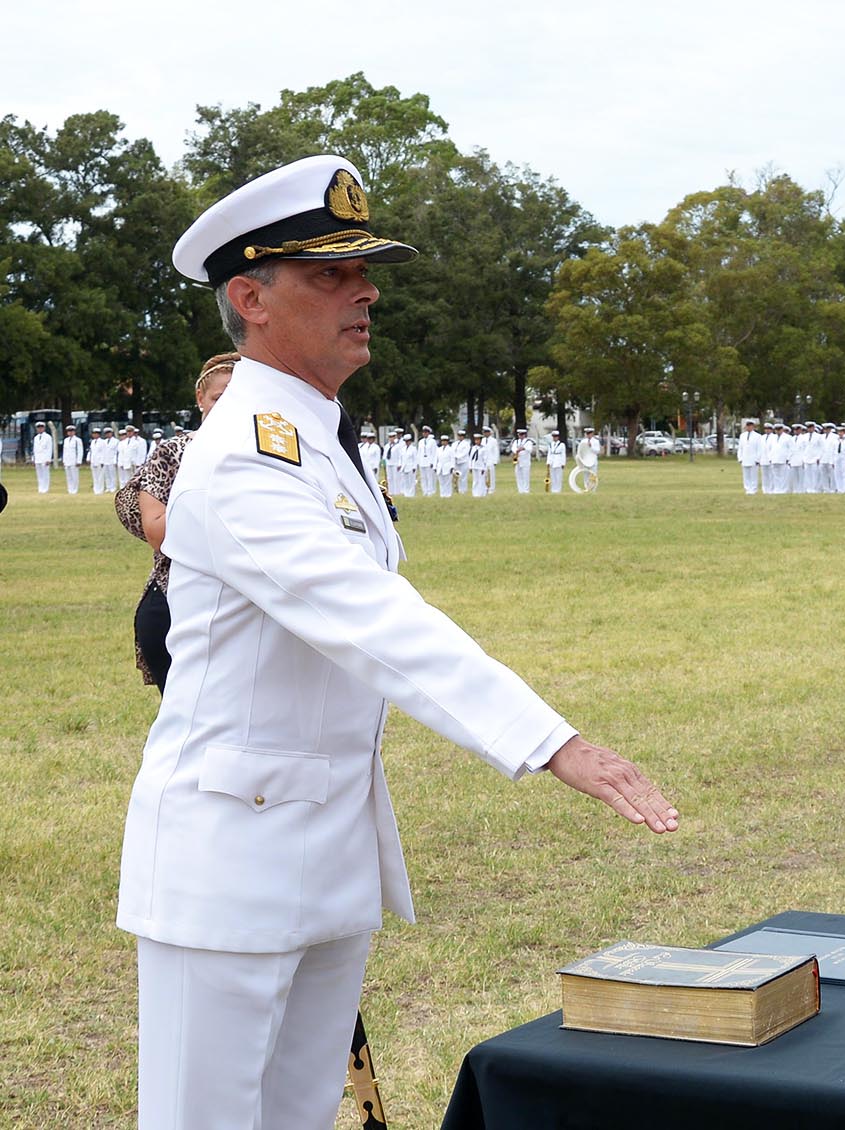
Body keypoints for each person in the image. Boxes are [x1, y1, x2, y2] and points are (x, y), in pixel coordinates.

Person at [122, 154, 679, 1130]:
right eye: (329, 274)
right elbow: (374, 618)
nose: (365, 289)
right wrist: (555, 741)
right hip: (229, 861)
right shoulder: (246, 454)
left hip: (320, 849)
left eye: (363, 270)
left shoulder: (312, 435)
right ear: (249, 297)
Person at [115, 353, 238, 689]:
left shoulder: (274, 455)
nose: (230, 405)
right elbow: (158, 530)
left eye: (240, 396)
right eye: (219, 397)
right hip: (177, 607)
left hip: (243, 616)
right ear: (200, 398)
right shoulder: (174, 452)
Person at [31, 420, 54, 492]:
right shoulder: (36, 437)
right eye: (38, 428)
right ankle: (40, 488)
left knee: (45, 474)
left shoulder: (48, 437)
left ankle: (45, 488)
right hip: (38, 458)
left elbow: (49, 448)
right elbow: (34, 449)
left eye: (41, 427)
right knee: (39, 475)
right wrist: (33, 459)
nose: (40, 429)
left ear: (44, 428)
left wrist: (48, 459)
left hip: (45, 458)